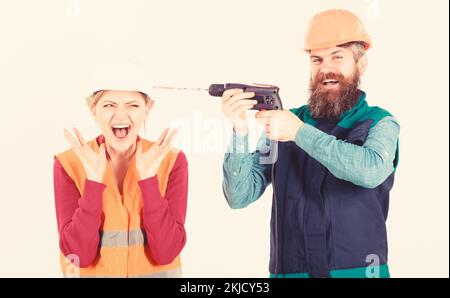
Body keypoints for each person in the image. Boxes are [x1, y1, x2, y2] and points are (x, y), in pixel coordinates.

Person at [221, 9, 400, 278]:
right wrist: (239, 130)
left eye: (337, 57)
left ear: (360, 65)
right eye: (317, 59)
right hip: (290, 272)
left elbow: (370, 171)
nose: (325, 68)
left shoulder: (379, 122)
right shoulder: (284, 121)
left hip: (359, 272)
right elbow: (239, 196)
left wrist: (299, 133)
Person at [53, 61, 188, 277]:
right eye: (109, 105)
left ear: (147, 108)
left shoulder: (171, 161)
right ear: (93, 110)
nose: (121, 115)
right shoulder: (69, 163)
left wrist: (149, 182)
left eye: (133, 105)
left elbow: (167, 252)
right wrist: (93, 184)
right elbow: (78, 255)